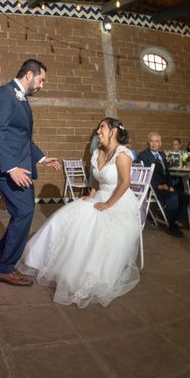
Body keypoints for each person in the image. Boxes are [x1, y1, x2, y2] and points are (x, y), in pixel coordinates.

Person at [17, 118, 140, 307]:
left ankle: (83, 275)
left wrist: (108, 204)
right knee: (67, 217)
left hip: (118, 200)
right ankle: (43, 260)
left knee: (95, 225)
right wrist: (91, 195)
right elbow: (97, 179)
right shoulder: (99, 151)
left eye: (102, 128)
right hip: (100, 196)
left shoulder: (123, 154)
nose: (98, 131)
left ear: (114, 131)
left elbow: (125, 183)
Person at [0, 58, 61, 287]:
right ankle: (5, 268)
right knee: (25, 212)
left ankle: (1, 253)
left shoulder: (21, 98)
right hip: (7, 167)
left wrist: (43, 158)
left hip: (18, 164)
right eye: (41, 80)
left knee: (22, 213)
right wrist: (11, 168)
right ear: (29, 75)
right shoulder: (4, 94)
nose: (42, 85)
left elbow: (22, 137)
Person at [137, 132, 185, 238]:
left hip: (166, 186)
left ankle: (175, 219)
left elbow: (167, 172)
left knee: (185, 197)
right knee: (172, 197)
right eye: (151, 141)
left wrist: (170, 185)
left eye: (156, 141)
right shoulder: (142, 156)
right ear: (148, 142)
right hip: (154, 187)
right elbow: (145, 175)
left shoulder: (163, 155)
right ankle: (172, 226)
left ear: (160, 144)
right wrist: (158, 186)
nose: (154, 143)